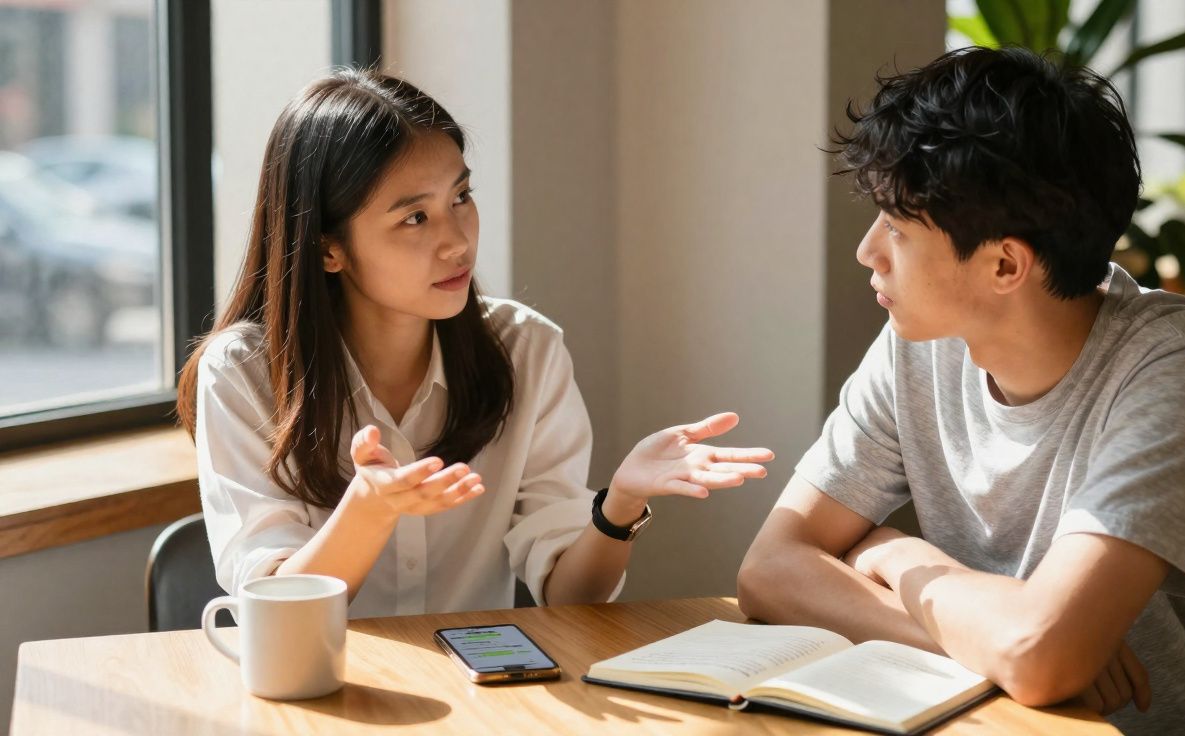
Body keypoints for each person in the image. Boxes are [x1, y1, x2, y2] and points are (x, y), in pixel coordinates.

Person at [736, 47, 1185, 735]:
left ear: (1006, 263)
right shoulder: (920, 347)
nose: (867, 251)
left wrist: (893, 553)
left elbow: (1039, 655)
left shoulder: (1180, 367)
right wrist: (999, 647)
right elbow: (769, 570)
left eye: (898, 228)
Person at [176, 69, 774, 618]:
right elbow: (277, 607)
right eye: (415, 218)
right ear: (328, 247)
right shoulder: (244, 372)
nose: (458, 241)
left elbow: (572, 598)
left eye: (460, 198)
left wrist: (619, 503)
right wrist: (370, 510)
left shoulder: (527, 350)